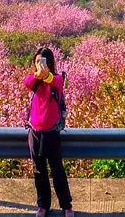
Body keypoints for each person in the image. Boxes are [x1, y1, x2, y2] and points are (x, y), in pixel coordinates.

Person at [24, 47, 75, 217]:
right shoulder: (34, 81)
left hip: (51, 132)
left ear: (51, 63)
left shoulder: (58, 80)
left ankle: (66, 205)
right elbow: (27, 83)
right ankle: (43, 205)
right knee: (39, 171)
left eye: (43, 61)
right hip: (35, 132)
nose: (40, 64)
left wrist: (45, 75)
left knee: (57, 170)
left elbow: (54, 82)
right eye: (37, 61)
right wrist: (37, 75)